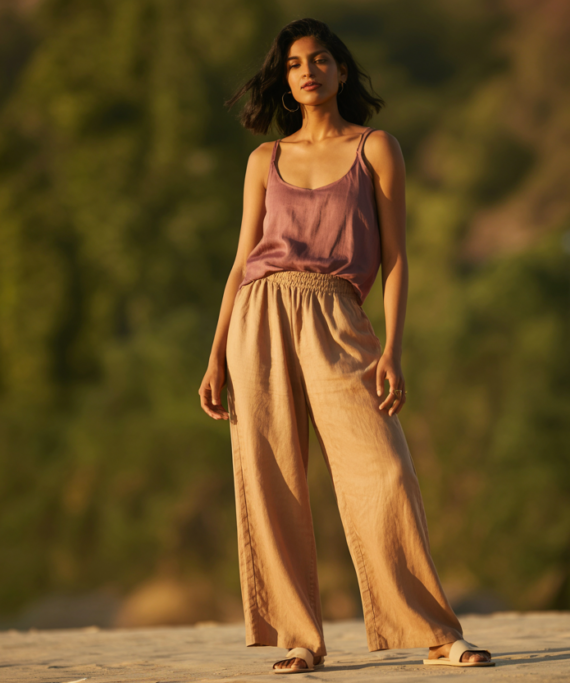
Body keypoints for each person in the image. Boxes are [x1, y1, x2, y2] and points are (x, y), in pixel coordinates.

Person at [198, 18, 494, 674]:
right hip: (258, 315)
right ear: (286, 80)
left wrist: (392, 347)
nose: (309, 70)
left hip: (337, 315)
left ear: (341, 71)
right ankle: (299, 638)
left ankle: (439, 634)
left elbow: (396, 259)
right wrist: (216, 354)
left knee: (384, 469)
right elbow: (242, 258)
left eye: (322, 59)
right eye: (297, 63)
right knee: (271, 478)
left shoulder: (376, 149)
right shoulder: (264, 161)